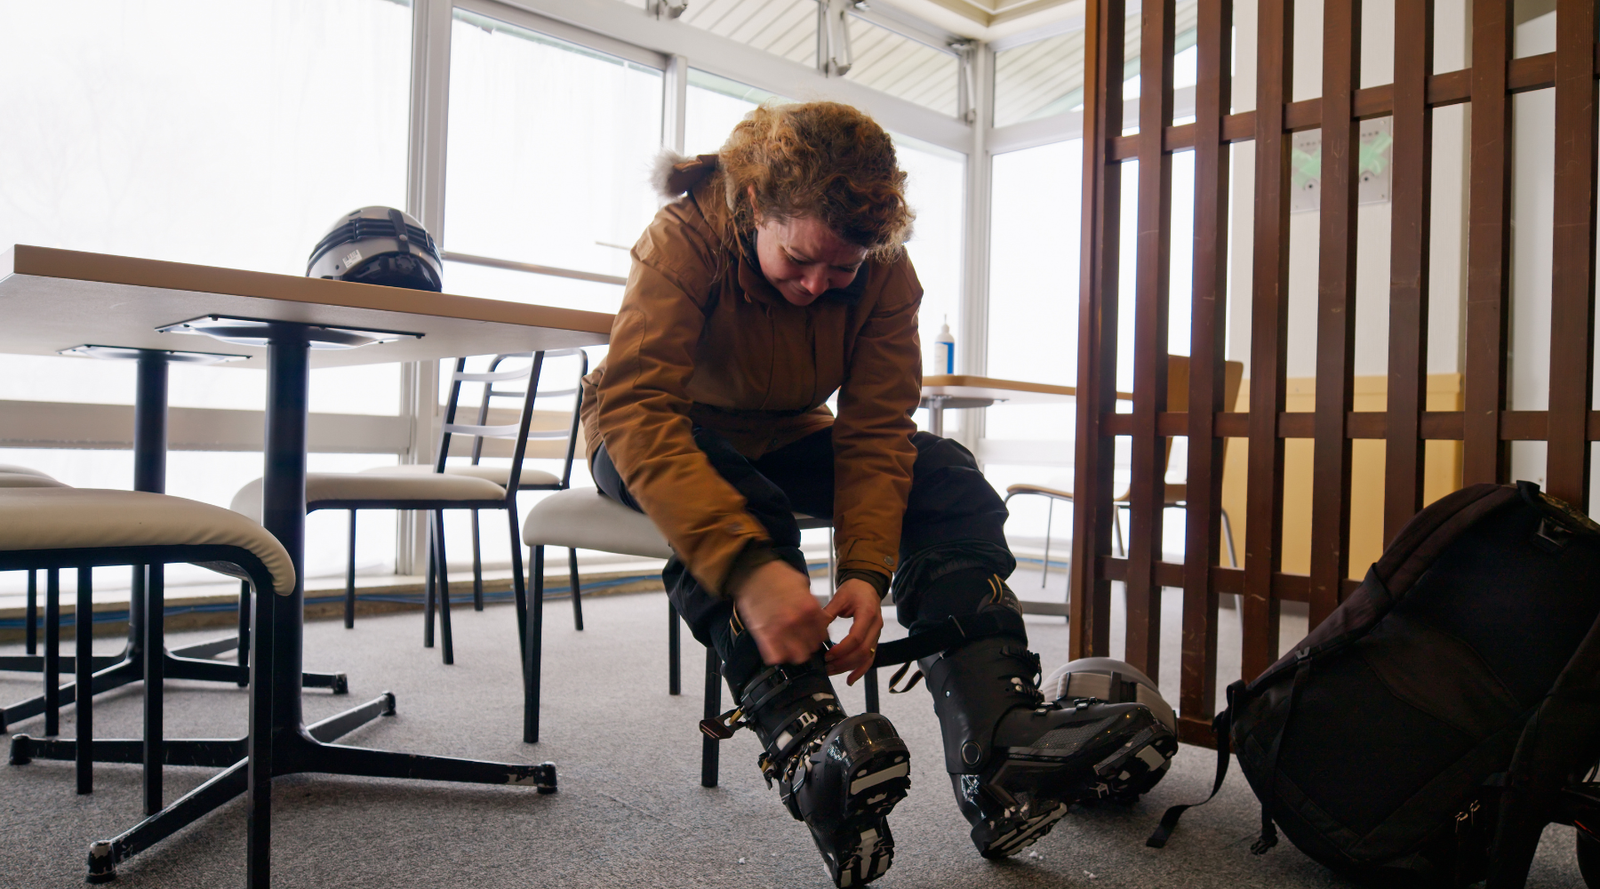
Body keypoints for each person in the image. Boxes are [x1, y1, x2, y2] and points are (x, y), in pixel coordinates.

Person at [581, 102, 1156, 887]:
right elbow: (639, 408)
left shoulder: (887, 271)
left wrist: (867, 569)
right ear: (756, 207)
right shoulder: (682, 238)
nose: (817, 287)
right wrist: (751, 569)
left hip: (786, 430)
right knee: (740, 506)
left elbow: (878, 430)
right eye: (798, 261)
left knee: (947, 475)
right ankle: (813, 752)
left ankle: (999, 749)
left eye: (841, 271)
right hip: (651, 427)